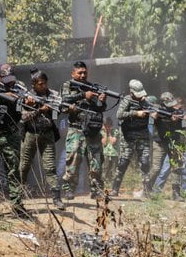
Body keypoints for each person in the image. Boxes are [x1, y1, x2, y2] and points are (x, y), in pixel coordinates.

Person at [60, 61, 107, 200]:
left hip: (92, 130)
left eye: (85, 72)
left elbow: (100, 108)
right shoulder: (68, 85)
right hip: (76, 129)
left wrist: (102, 100)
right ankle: (69, 189)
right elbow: (64, 100)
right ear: (73, 73)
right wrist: (83, 95)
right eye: (79, 72)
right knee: (73, 161)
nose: (82, 75)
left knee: (96, 162)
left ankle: (96, 190)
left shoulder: (92, 87)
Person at [20, 69, 65, 210]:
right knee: (24, 166)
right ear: (33, 85)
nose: (43, 86)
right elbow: (23, 117)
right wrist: (38, 109)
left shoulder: (54, 95)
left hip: (48, 134)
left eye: (45, 83)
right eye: (40, 84)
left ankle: (56, 198)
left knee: (50, 167)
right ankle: (18, 195)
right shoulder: (27, 96)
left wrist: (50, 110)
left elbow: (60, 110)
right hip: (31, 134)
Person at [0, 63, 25, 217]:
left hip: (11, 132)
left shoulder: (19, 87)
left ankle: (17, 204)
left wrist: (20, 99)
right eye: (6, 79)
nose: (10, 82)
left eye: (11, 78)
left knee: (14, 170)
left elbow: (24, 101)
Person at [110, 79, 151, 197]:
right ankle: (115, 189)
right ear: (131, 92)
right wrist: (136, 113)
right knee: (123, 162)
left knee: (145, 162)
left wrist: (153, 114)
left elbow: (153, 111)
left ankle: (147, 191)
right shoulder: (127, 100)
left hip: (143, 136)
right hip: (128, 137)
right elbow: (119, 115)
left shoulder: (146, 102)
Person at [148, 92, 186, 200]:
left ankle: (176, 193)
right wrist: (154, 117)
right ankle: (147, 188)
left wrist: (179, 120)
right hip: (159, 142)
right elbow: (151, 119)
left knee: (176, 167)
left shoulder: (178, 111)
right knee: (156, 168)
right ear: (163, 103)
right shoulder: (157, 109)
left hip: (173, 142)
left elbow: (183, 128)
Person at [101, 117, 118, 188]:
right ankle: (104, 185)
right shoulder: (101, 132)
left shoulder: (115, 131)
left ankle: (113, 186)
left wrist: (110, 133)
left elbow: (113, 142)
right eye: (106, 125)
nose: (107, 127)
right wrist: (105, 133)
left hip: (114, 154)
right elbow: (104, 143)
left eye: (109, 125)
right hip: (105, 154)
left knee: (114, 171)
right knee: (105, 169)